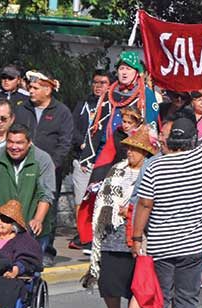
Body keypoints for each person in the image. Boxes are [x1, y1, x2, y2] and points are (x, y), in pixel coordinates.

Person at [132, 77, 202, 308]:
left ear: (168, 141)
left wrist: (135, 237)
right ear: (193, 139)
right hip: (194, 246)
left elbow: (144, 204)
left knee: (158, 297)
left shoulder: (155, 165)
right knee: (186, 300)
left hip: (160, 244)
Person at [82, 126, 156, 308]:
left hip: (141, 235)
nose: (130, 153)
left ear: (146, 153)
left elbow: (152, 202)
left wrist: (132, 210)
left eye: (135, 149)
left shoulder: (153, 172)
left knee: (139, 283)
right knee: (108, 282)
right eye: (129, 149)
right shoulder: (117, 170)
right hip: (112, 231)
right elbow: (105, 198)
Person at [77, 51, 160, 250]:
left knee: (129, 194)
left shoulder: (146, 95)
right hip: (109, 148)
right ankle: (94, 235)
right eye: (121, 68)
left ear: (137, 73)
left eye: (128, 69)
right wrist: (87, 156)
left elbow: (151, 128)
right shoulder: (109, 92)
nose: (124, 72)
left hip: (134, 151)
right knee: (98, 189)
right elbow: (96, 123)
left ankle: (130, 235)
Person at [13, 70, 74, 265]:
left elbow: (65, 143)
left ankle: (45, 250)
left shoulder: (62, 112)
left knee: (47, 210)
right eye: (30, 87)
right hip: (22, 168)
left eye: (35, 88)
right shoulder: (22, 109)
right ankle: (20, 249)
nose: (30, 91)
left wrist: (52, 165)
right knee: (21, 207)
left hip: (49, 171)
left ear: (48, 90)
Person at [0, 124, 56, 258]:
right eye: (10, 142)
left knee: (29, 270)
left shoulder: (42, 159)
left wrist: (38, 219)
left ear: (29, 143)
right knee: (2, 269)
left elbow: (46, 194)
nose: (14, 147)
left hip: (32, 227)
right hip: (5, 227)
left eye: (19, 143)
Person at [68, 70, 113, 250]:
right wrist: (81, 145)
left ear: (110, 85)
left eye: (102, 82)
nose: (98, 86)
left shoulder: (114, 107)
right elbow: (72, 127)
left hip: (104, 161)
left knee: (100, 200)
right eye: (95, 82)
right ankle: (83, 235)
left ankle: (98, 235)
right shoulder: (84, 105)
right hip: (84, 161)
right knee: (81, 199)